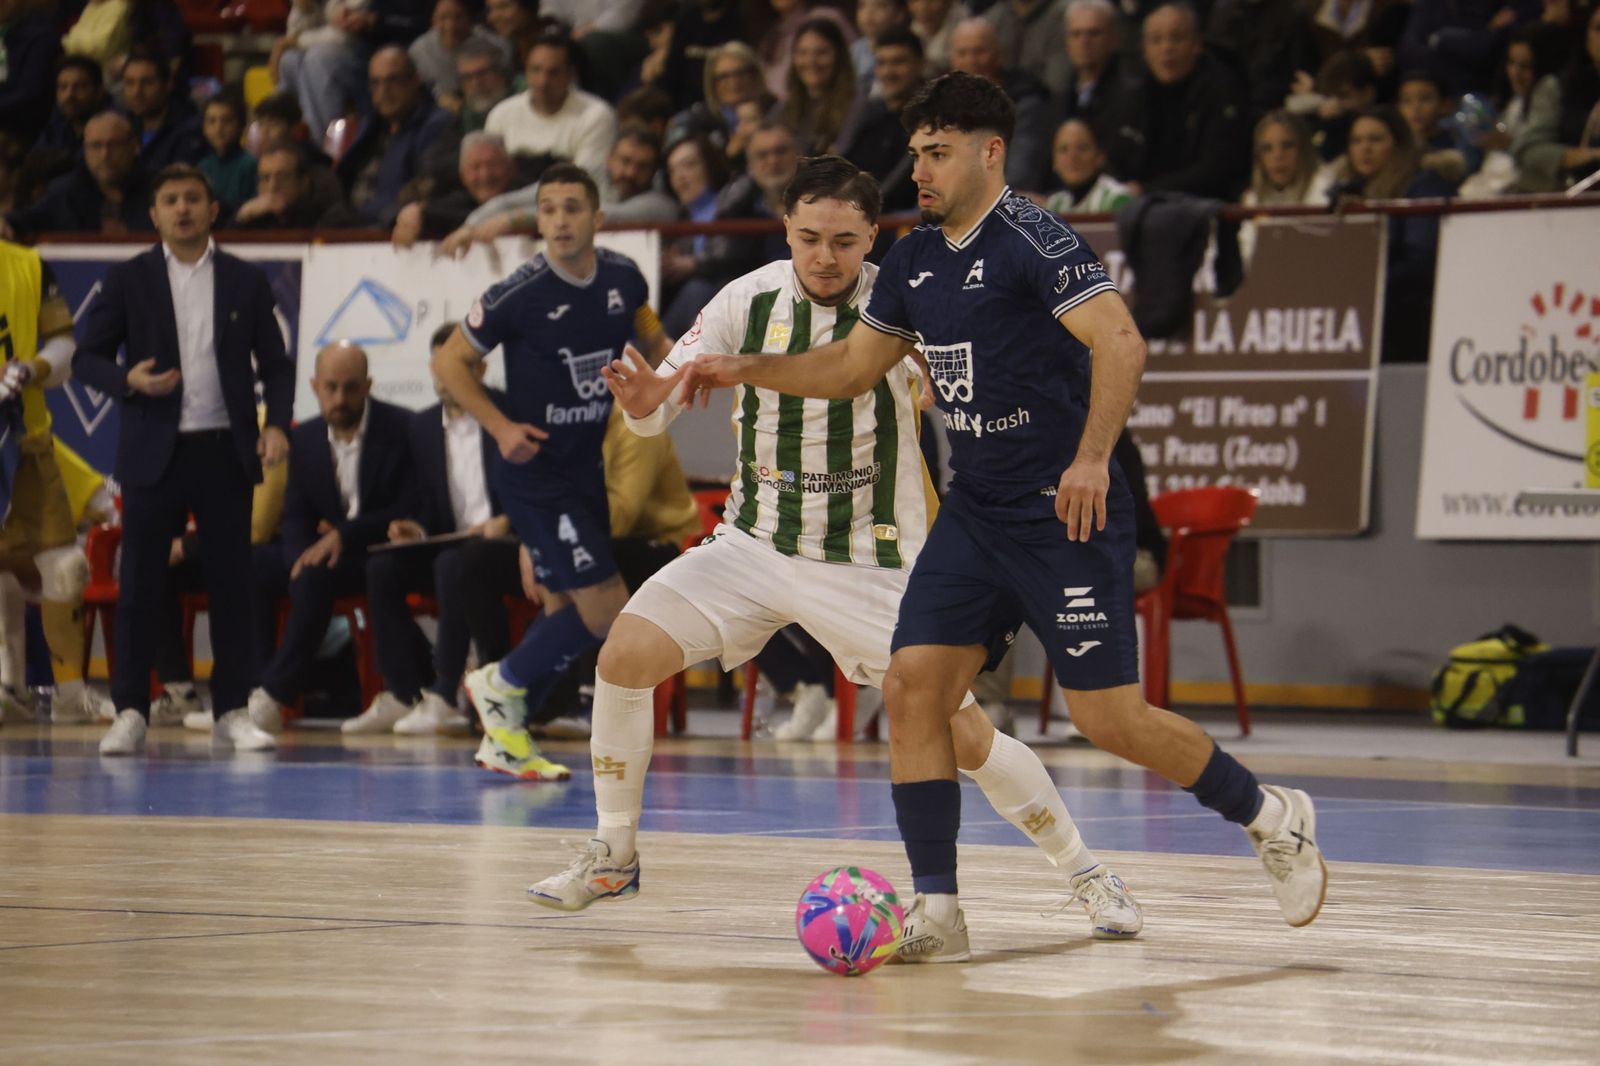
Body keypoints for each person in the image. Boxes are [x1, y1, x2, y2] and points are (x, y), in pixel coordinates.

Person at [679, 73, 1329, 954]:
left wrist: (1093, 458)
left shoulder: (1033, 239)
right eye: (915, 153)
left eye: (937, 153)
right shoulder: (912, 258)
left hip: (1063, 510)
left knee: (1110, 720)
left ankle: (1270, 815)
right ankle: (939, 912)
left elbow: (1122, 340)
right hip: (977, 514)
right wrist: (741, 367)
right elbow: (847, 369)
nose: (920, 170)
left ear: (991, 153)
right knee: (912, 690)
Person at [526, 154, 1143, 946]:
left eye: (845, 242)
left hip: (872, 557)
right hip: (752, 546)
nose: (825, 257)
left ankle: (1088, 872)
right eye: (810, 238)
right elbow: (658, 407)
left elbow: (973, 383)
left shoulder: (910, 299)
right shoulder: (743, 299)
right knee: (624, 655)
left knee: (962, 733)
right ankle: (613, 854)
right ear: (785, 228)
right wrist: (645, 403)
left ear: (871, 238)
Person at [431, 163, 670, 780]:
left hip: (583, 465)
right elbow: (450, 363)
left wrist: (684, 376)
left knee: (565, 608)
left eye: (571, 207)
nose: (559, 220)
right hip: (535, 472)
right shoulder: (520, 291)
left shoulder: (623, 276)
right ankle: (499, 680)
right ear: (538, 221)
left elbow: (656, 340)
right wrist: (502, 427)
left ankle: (503, 734)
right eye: (548, 209)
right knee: (606, 614)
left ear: (597, 218)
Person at [75, 163, 295, 756]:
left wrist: (275, 422)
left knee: (232, 584)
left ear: (212, 209)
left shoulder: (245, 281)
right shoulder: (129, 279)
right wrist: (128, 381)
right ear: (154, 214)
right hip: (153, 450)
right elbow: (85, 357)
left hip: (224, 447)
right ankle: (130, 710)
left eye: (193, 198)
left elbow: (275, 362)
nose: (182, 209)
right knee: (140, 586)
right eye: (170, 200)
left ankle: (230, 710)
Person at [245, 342, 417, 730]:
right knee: (264, 567)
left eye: (351, 388)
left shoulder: (401, 429)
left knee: (342, 573)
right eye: (331, 387)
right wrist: (297, 559)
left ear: (369, 385)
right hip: (329, 558)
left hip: (378, 551)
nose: (340, 398)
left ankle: (275, 695)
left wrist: (345, 535)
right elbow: (295, 514)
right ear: (314, 386)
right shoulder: (304, 439)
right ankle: (256, 689)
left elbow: (409, 505)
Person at [346, 323, 501, 735]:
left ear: (481, 369)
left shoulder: (507, 413)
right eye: (438, 369)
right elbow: (425, 506)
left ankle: (446, 693)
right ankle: (402, 691)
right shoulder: (422, 427)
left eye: (454, 368)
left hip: (502, 542)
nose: (444, 379)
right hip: (450, 543)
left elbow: (532, 488)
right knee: (383, 568)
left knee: (454, 564)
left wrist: (506, 522)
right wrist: (413, 527)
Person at [0, 240, 97, 724]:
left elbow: (64, 346)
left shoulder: (30, 265)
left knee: (65, 566)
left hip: (26, 441)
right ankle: (9, 686)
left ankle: (69, 693)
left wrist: (31, 368)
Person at [1102, 1, 1251, 199]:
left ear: (1197, 44)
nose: (1167, 48)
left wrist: (1147, 191)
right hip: (1140, 208)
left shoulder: (1222, 91)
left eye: (1177, 38)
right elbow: (1115, 161)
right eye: (1156, 40)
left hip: (1204, 207)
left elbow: (1216, 169)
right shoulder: (1132, 96)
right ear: (1145, 49)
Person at [336, 46, 452, 226]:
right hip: (354, 225)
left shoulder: (437, 125)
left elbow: (422, 190)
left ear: (415, 80)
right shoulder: (370, 124)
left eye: (393, 80)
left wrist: (359, 216)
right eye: (376, 83)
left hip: (392, 228)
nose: (383, 91)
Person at [485, 27, 616, 178]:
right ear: (525, 71)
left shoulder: (596, 116)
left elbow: (582, 181)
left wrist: (503, 202)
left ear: (571, 74)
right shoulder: (501, 114)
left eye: (553, 73)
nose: (542, 82)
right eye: (535, 70)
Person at [2, 111, 152, 239]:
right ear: (85, 151)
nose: (104, 155)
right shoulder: (65, 192)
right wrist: (6, 222)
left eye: (114, 145)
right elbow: (31, 219)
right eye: (95, 146)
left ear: (134, 147)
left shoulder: (157, 188)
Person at [841, 26, 927, 212]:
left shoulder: (932, 122)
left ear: (921, 64)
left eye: (898, 62)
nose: (889, 72)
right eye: (882, 63)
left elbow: (897, 189)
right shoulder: (870, 118)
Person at [120, 50, 207, 171]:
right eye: (130, 83)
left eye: (147, 83)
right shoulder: (123, 127)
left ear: (168, 84)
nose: (137, 92)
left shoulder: (191, 131)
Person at [1041, 116, 1131, 212]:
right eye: (1064, 149)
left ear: (1100, 156)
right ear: (1054, 161)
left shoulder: (1117, 199)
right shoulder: (1054, 205)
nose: (1072, 157)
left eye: (1082, 148)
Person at [34, 55, 110, 160]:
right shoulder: (55, 131)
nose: (69, 95)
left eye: (80, 87)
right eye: (63, 87)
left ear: (99, 92)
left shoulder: (113, 131)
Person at [197, 94, 257, 213]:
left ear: (241, 125)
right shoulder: (202, 166)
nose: (218, 128)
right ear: (203, 127)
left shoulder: (249, 165)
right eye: (211, 121)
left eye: (227, 121)